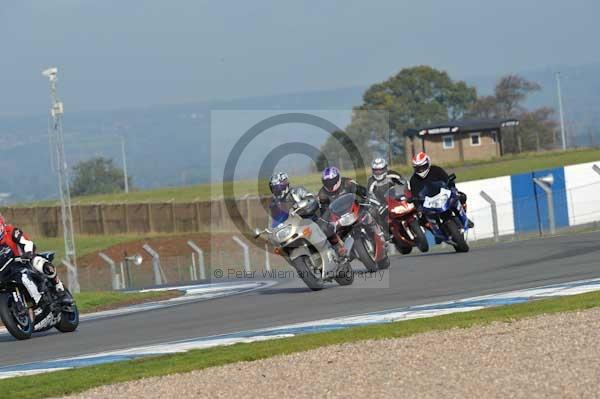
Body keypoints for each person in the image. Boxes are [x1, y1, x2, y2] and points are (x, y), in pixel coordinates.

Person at [268, 172, 346, 257]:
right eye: (274, 188)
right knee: (282, 246)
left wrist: (303, 205)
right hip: (292, 227)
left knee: (323, 226)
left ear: (285, 185)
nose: (277, 191)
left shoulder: (297, 191)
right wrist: (270, 231)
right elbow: (273, 220)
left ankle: (338, 246)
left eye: (278, 188)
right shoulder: (274, 204)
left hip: (309, 218)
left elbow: (311, 200)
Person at [0, 215, 72, 304]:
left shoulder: (11, 231)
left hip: (24, 261)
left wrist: (28, 252)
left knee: (39, 263)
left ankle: (59, 288)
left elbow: (26, 242)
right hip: (7, 270)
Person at [408, 152, 473, 227]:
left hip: (443, 195)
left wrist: (452, 189)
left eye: (422, 166)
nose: (421, 170)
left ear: (428, 163)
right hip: (429, 202)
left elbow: (447, 180)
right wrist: (418, 205)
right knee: (421, 220)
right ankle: (434, 231)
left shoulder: (436, 170)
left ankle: (464, 217)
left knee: (461, 197)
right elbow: (415, 195)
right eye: (418, 168)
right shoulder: (413, 180)